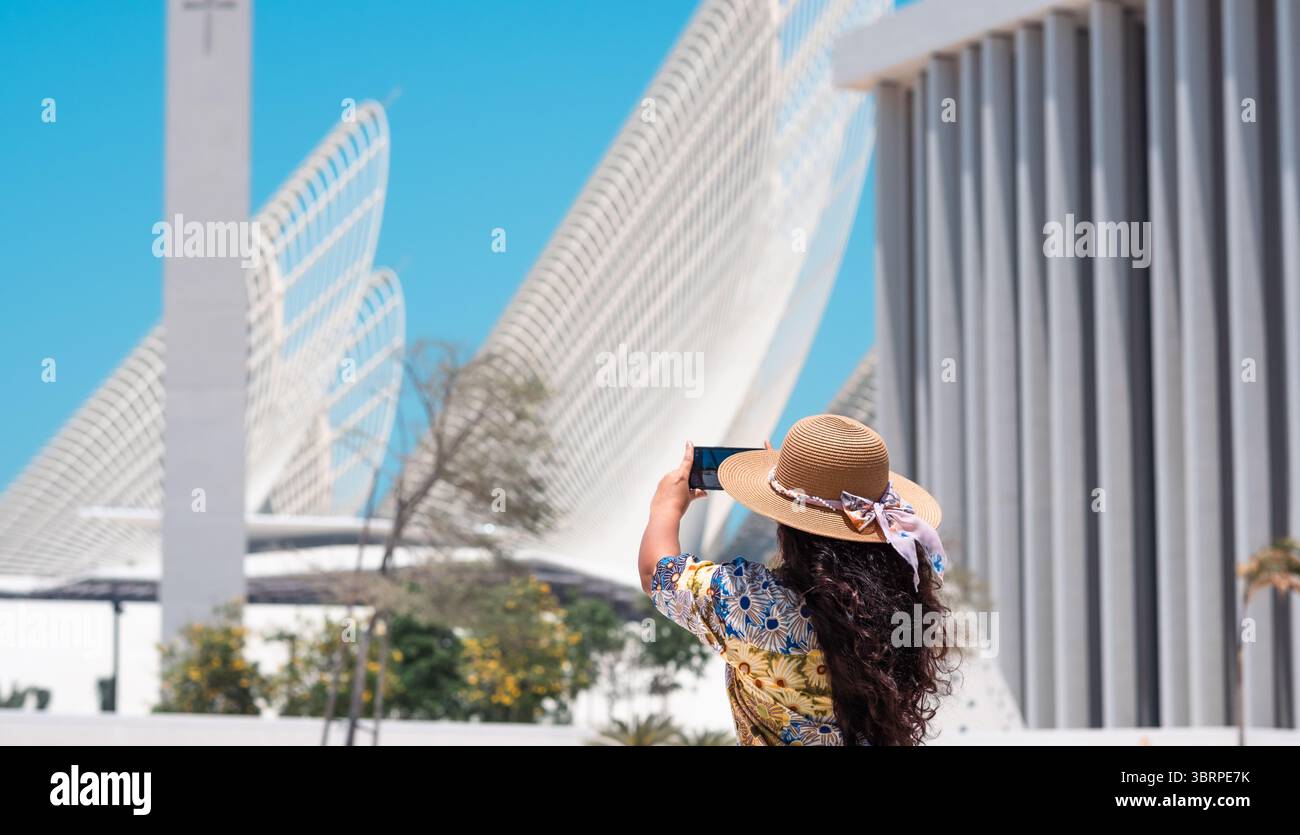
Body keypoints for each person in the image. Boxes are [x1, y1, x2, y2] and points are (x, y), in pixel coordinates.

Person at [637, 414, 953, 745]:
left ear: (785, 520)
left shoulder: (751, 600)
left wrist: (665, 508)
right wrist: (792, 495)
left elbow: (656, 573)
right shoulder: (899, 604)